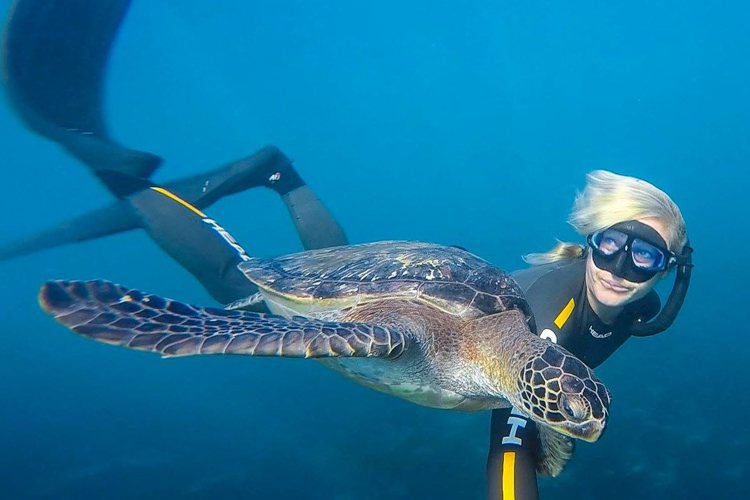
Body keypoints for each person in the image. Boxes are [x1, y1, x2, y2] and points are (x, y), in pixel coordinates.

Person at [0, 1, 694, 498]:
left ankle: (282, 175)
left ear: (668, 269)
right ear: (588, 244)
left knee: (341, 258)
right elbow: (511, 448)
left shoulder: (629, 310)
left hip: (420, 272)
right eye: (612, 246)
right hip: (414, 305)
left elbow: (554, 384)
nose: (624, 268)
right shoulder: (534, 337)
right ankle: (112, 170)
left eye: (647, 258)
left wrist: (565, 414)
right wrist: (182, 330)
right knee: (239, 292)